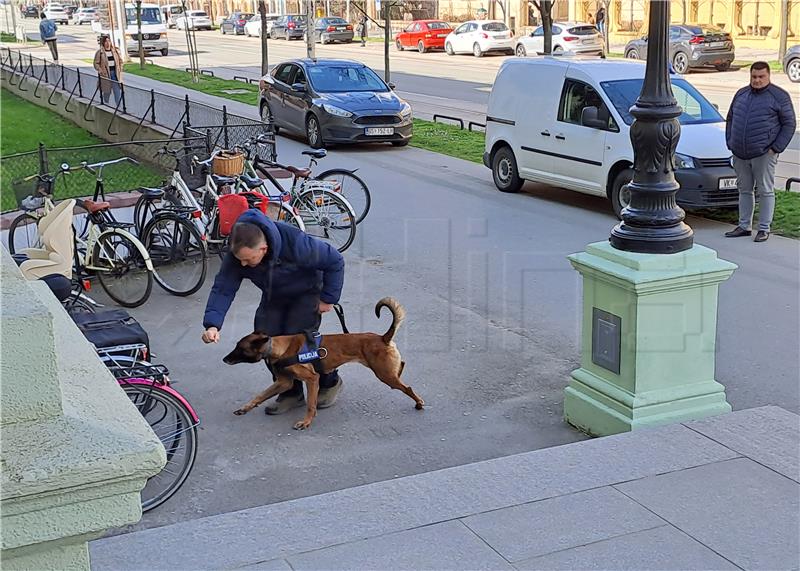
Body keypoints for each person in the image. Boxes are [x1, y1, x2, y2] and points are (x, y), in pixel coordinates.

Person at [202, 209, 346, 415]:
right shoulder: (239, 249)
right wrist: (212, 324)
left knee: (302, 342)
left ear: (263, 248)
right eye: (240, 260)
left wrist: (328, 299)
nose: (243, 264)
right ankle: (289, 390)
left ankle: (329, 382)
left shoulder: (296, 243)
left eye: (248, 260)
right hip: (274, 295)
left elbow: (335, 260)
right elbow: (223, 287)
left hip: (306, 293)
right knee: (264, 339)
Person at [724, 61, 796, 243]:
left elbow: (789, 124)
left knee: (765, 190)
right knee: (744, 190)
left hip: (764, 153)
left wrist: (775, 148)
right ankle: (744, 226)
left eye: (761, 77)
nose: (757, 80)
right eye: (754, 77)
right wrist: (730, 141)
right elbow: (730, 118)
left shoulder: (779, 96)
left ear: (768, 76)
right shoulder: (741, 94)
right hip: (740, 152)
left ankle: (764, 228)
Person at [93, 35, 123, 106]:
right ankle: (105, 103)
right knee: (107, 91)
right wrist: (100, 70)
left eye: (109, 41)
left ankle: (119, 106)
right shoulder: (100, 52)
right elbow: (96, 63)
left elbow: (120, 61)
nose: (107, 43)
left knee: (117, 90)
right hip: (106, 74)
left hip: (115, 74)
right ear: (103, 43)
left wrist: (120, 68)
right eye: (106, 41)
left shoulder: (115, 51)